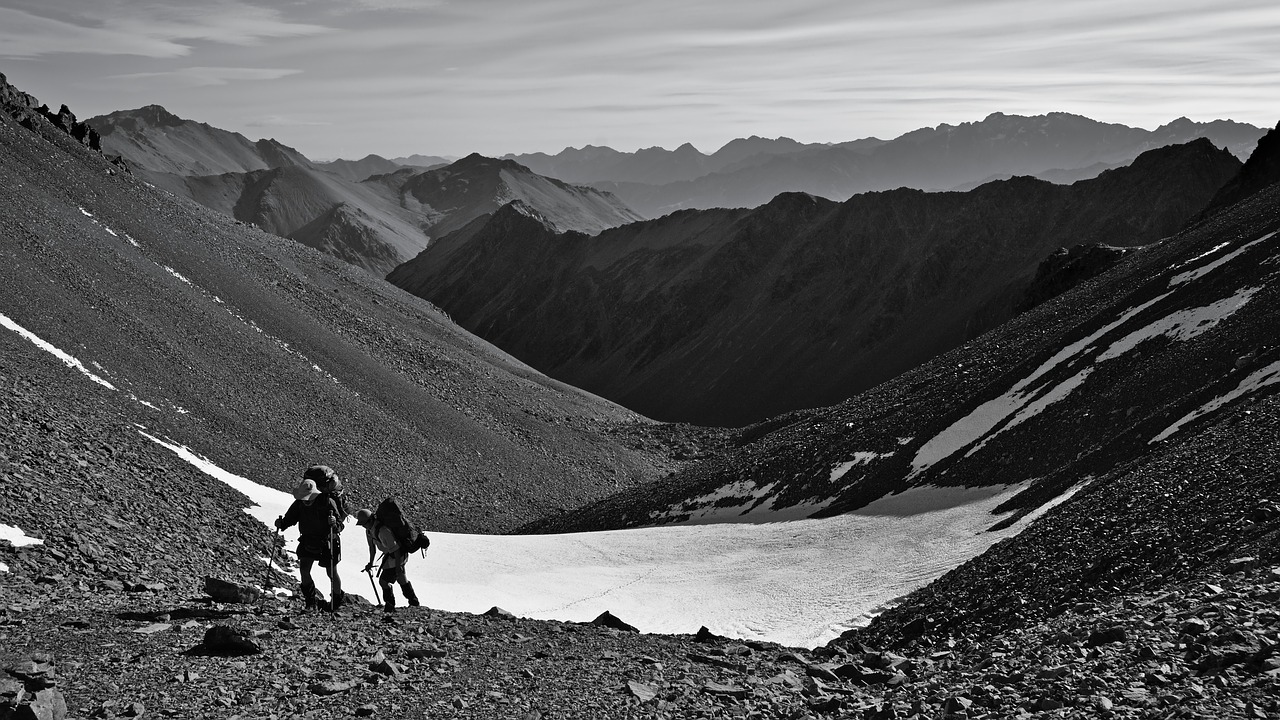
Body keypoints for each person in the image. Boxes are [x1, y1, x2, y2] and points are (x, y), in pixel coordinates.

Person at [275, 477, 344, 611]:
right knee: (304, 570)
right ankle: (310, 603)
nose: (306, 501)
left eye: (308, 498)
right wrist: (282, 524)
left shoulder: (327, 502)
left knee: (331, 572)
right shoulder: (299, 503)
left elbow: (340, 526)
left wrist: (335, 523)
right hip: (309, 539)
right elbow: (290, 518)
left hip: (327, 540)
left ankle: (335, 603)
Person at [356, 508, 420, 612]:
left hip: (397, 555)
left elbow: (396, 549)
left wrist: (398, 566)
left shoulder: (383, 531)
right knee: (401, 578)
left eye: (364, 523)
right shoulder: (369, 531)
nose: (363, 526)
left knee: (383, 581)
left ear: (370, 520)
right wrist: (370, 563)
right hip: (393, 555)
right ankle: (413, 602)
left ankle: (390, 605)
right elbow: (372, 548)